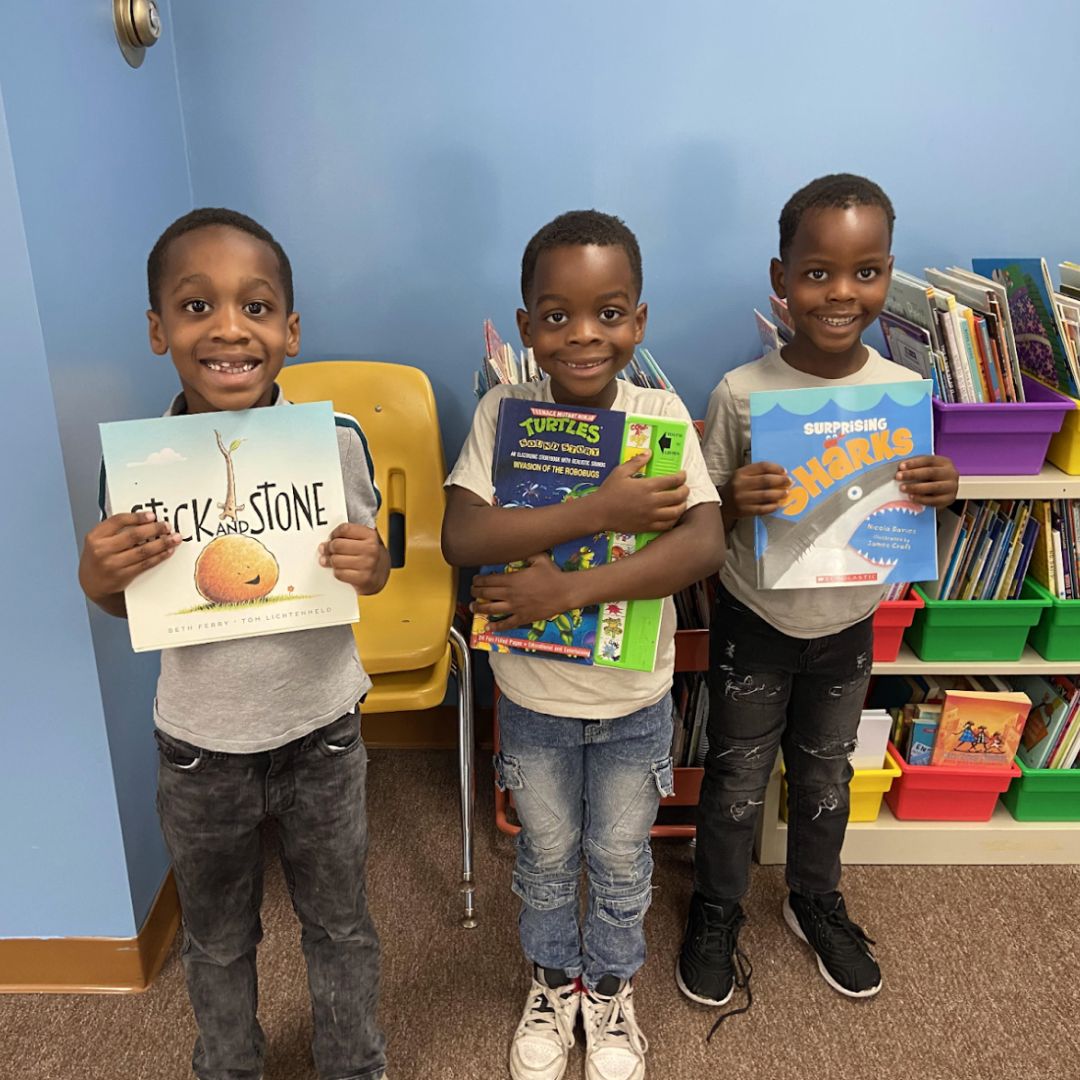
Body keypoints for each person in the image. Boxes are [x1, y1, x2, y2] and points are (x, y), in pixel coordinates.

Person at [78, 208, 390, 1080]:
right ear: (158, 330)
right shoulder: (138, 470)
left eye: (256, 308)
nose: (228, 328)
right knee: (215, 937)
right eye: (195, 306)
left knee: (339, 921)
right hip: (198, 749)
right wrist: (95, 576)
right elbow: (124, 607)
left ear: (290, 331)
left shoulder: (335, 445)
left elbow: (368, 570)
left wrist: (377, 564)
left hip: (323, 730)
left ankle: (354, 1065)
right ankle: (228, 1064)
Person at [443, 209, 724, 1080]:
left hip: (634, 701)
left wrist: (566, 588)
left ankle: (608, 990)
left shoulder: (660, 415)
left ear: (639, 320)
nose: (584, 335)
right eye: (556, 316)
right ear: (526, 327)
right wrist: (600, 511)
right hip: (533, 703)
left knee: (618, 858)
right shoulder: (504, 411)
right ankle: (552, 982)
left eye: (610, 312)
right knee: (547, 855)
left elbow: (702, 544)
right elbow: (463, 538)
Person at [679, 175, 959, 1025]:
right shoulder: (739, 392)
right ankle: (717, 907)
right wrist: (735, 497)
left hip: (849, 623)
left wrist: (945, 487)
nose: (842, 293)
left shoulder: (903, 392)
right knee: (734, 775)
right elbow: (700, 521)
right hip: (755, 621)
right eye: (818, 273)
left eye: (866, 272)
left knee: (829, 774)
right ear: (781, 276)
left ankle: (813, 897)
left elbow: (911, 504)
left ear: (887, 275)